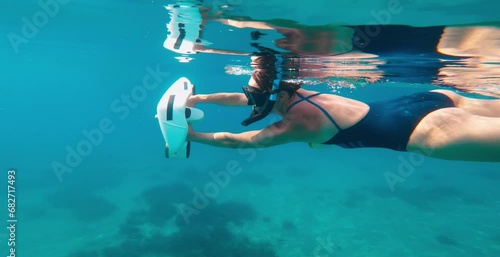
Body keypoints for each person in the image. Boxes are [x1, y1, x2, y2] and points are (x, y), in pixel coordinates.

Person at [186, 47, 500, 162]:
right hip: (432, 98)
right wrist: (198, 99)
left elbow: (239, 143)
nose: (250, 101)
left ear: (275, 95)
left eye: (255, 96)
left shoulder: (295, 124)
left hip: (430, 131)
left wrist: (191, 136)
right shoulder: (291, 91)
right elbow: (238, 98)